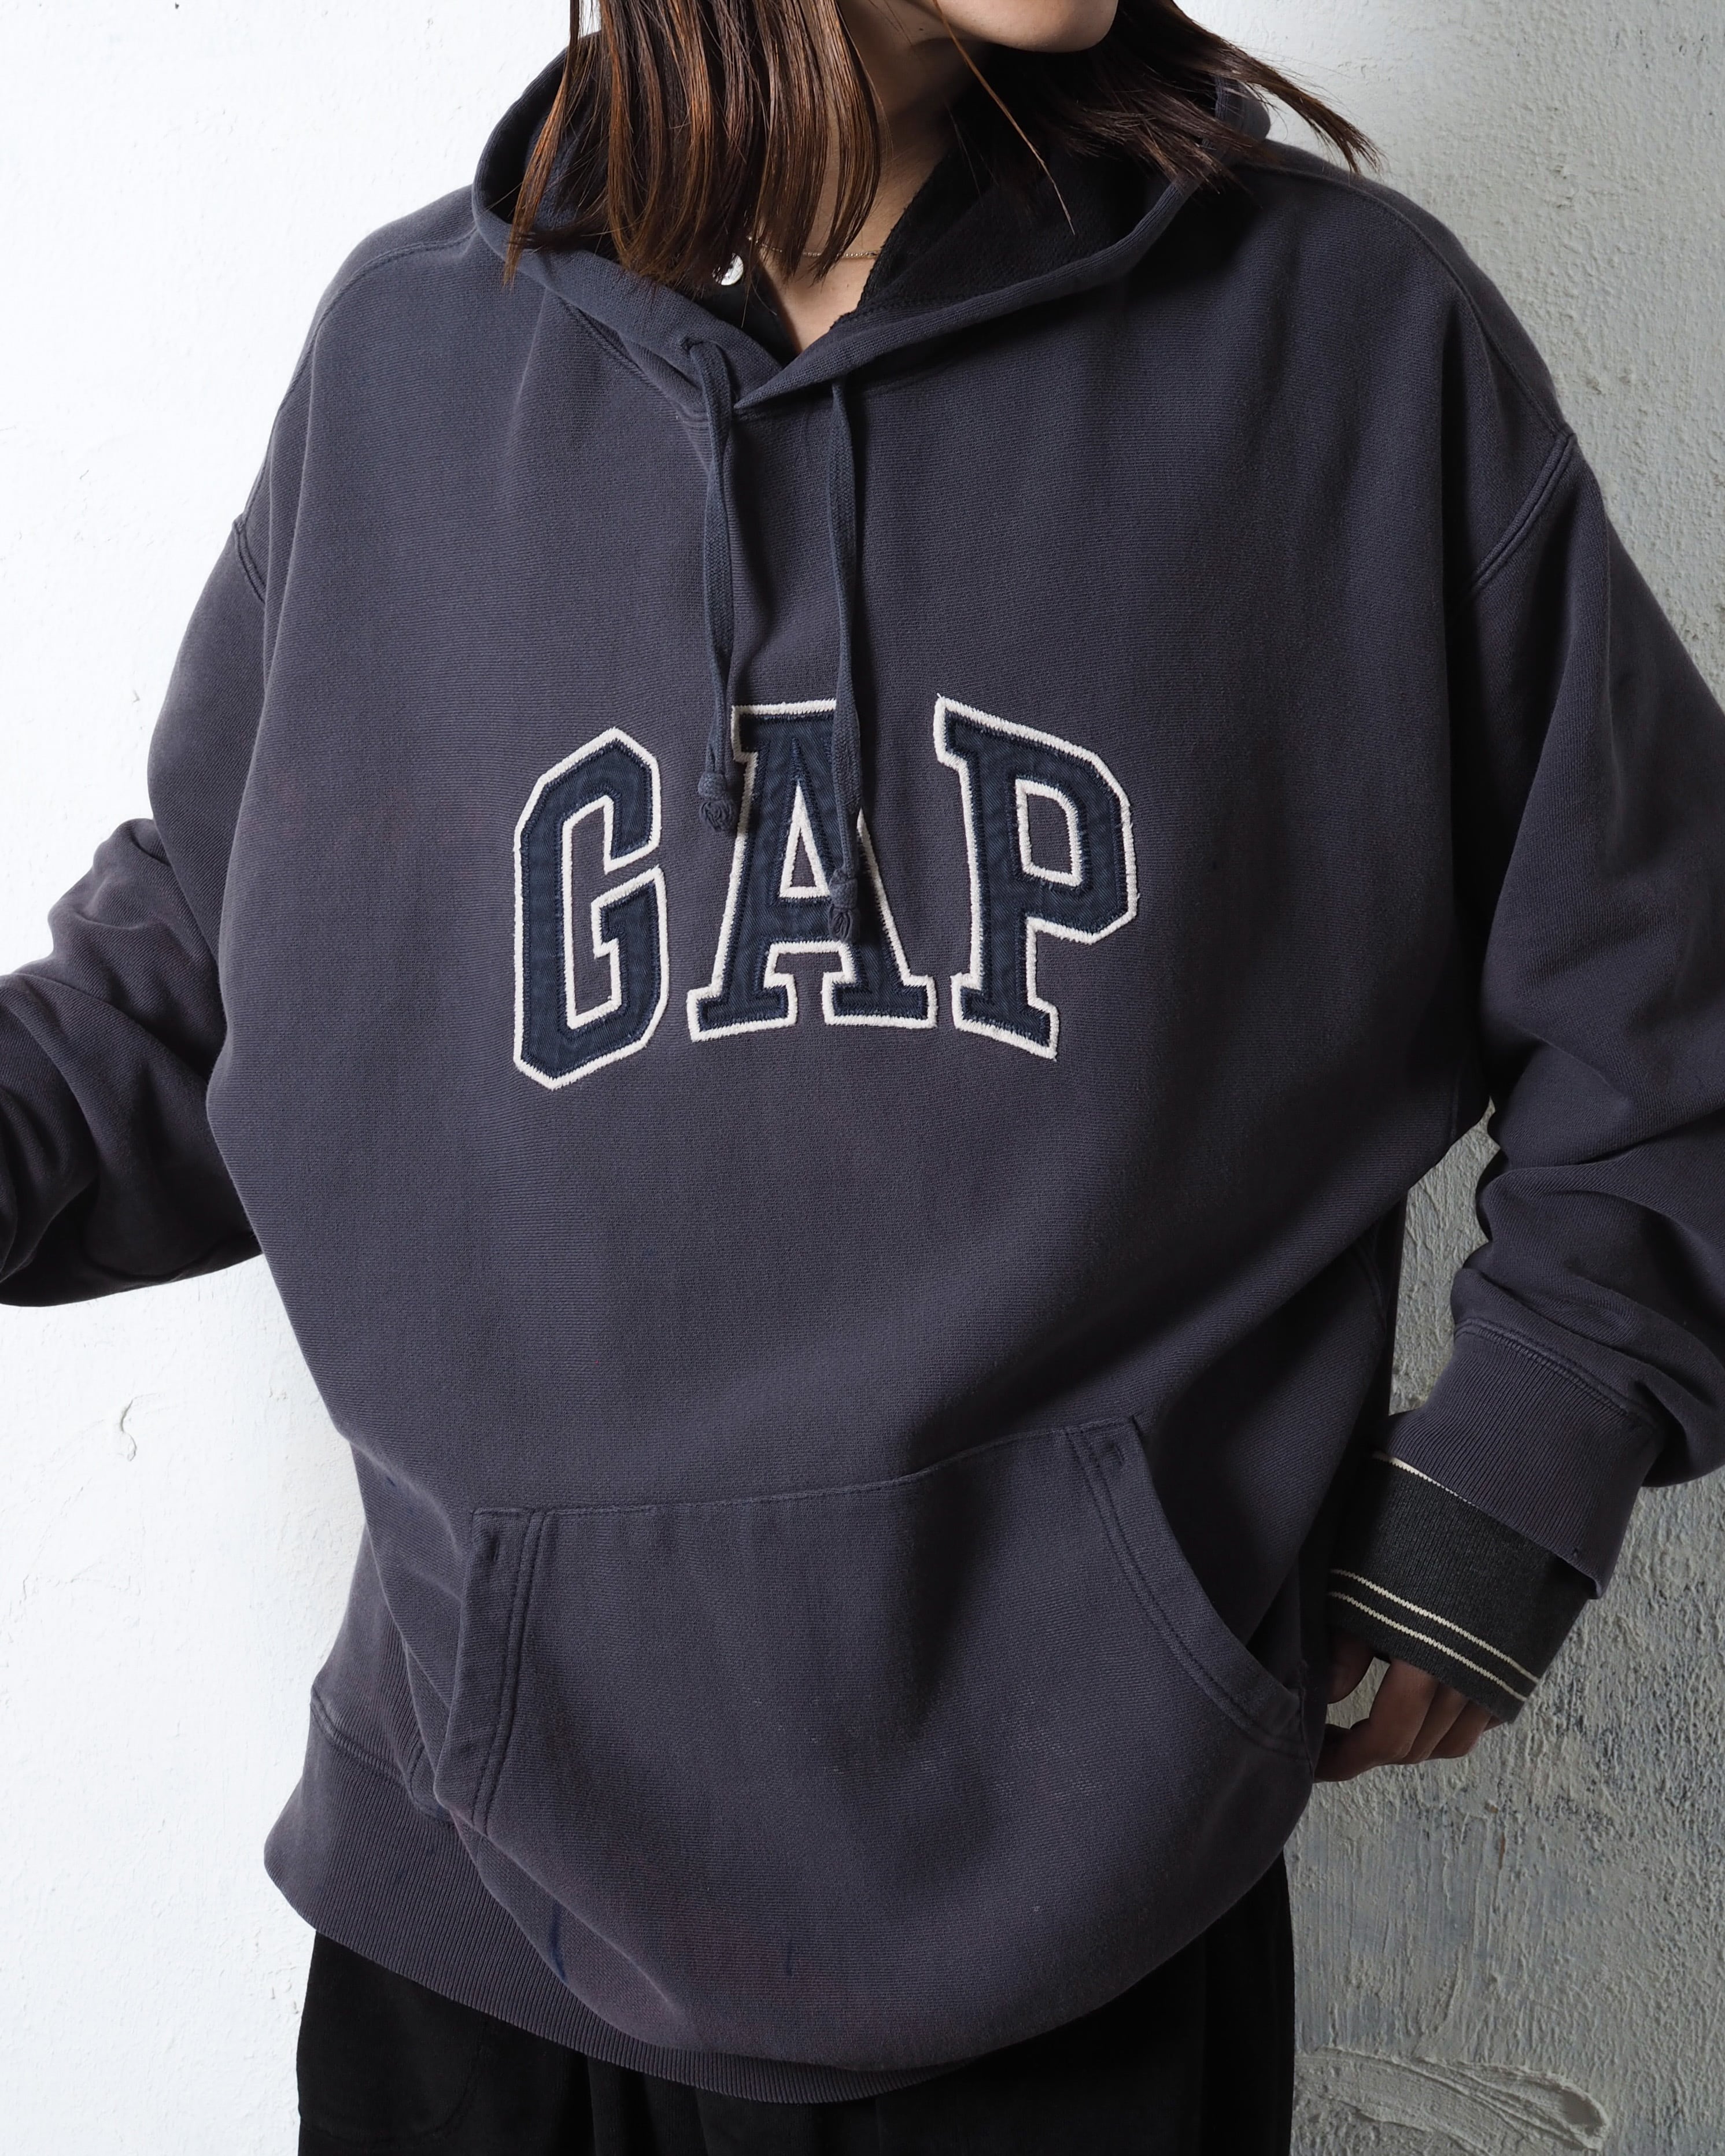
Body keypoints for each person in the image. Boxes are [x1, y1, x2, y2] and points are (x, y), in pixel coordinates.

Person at [6, 0, 1723, 2148]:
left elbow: (1672, 977)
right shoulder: (410, 357)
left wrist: (1520, 1477)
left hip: (1082, 1906)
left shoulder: (1346, 341)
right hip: (474, 1906)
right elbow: (214, 965)